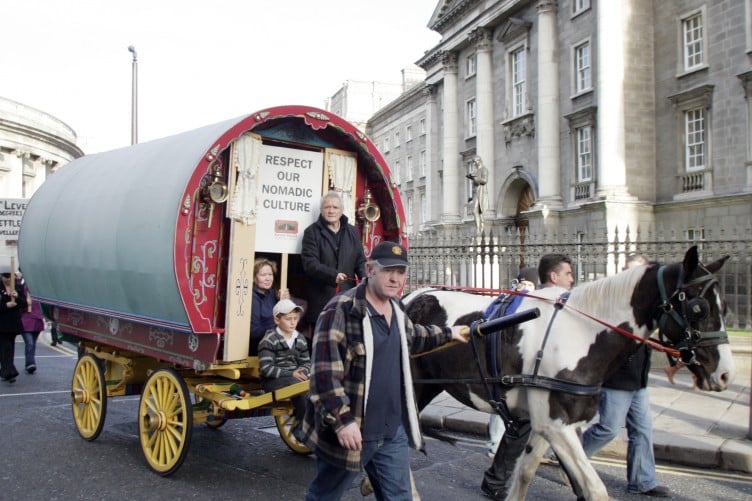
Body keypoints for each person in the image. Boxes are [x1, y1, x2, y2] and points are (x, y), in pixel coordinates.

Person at [299, 241, 469, 500]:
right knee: (325, 495)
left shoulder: (396, 308)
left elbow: (414, 336)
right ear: (370, 269)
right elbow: (324, 375)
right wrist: (343, 421)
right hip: (353, 429)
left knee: (399, 497)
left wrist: (450, 333)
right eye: (388, 270)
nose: (395, 278)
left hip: (391, 429)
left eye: (401, 272)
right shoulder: (341, 310)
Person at [481, 254, 573, 500]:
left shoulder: (555, 302)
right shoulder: (537, 303)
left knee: (523, 428)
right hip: (532, 378)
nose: (572, 279)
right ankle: (582, 487)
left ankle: (495, 481)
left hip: (540, 379)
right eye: (568, 274)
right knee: (552, 430)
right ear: (554, 277)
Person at [579, 254, 671, 498]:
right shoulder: (612, 300)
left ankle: (643, 481)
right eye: (632, 272)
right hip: (617, 377)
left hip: (639, 379)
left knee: (642, 430)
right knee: (608, 429)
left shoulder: (647, 303)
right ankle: (572, 459)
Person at [486, 266, 538, 458]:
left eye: (528, 285)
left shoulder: (512, 297)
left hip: (507, 357)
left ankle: (498, 444)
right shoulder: (518, 299)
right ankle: (496, 445)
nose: (525, 288)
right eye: (524, 284)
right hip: (508, 358)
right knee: (503, 403)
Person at [301, 191, 366, 332]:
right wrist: (332, 275)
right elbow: (310, 264)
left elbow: (360, 260)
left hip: (347, 299)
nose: (331, 211)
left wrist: (367, 280)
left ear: (342, 210)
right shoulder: (311, 232)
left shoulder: (352, 231)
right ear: (321, 210)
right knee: (321, 347)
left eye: (335, 207)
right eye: (327, 207)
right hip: (321, 301)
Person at [258, 298, 311, 421]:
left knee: (313, 384)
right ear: (277, 319)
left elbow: (306, 361)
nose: (293, 323)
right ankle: (302, 425)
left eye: (295, 319)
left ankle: (315, 419)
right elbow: (266, 369)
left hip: (295, 377)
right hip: (273, 381)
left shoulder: (300, 338)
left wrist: (302, 371)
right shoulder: (269, 340)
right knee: (299, 386)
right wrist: (292, 373)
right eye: (288, 319)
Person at [250, 257, 290, 355]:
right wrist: (278, 323)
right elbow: (254, 332)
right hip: (260, 344)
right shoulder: (252, 297)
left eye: (270, 274)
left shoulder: (272, 293)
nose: (268, 278)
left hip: (275, 339)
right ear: (254, 277)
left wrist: (286, 302)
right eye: (263, 275)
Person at [0, 265, 27, 383]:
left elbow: (24, 303)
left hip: (13, 323)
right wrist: (6, 305)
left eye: (9, 276)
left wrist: (17, 297)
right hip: (1, 322)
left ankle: (6, 370)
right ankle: (9, 371)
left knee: (10, 347)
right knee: (6, 347)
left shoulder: (17, 286)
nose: (7, 279)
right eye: (5, 276)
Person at [17, 270, 45, 374]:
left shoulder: (38, 290)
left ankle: (30, 362)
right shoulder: (21, 288)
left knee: (33, 344)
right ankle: (30, 363)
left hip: (37, 320)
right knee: (29, 343)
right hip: (26, 319)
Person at [466, 155, 489, 236]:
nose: (474, 164)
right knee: (475, 211)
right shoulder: (476, 171)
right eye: (474, 162)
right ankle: (478, 229)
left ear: (479, 161)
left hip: (481, 192)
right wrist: (471, 176)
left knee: (480, 211)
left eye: (475, 162)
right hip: (475, 193)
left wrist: (475, 178)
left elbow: (485, 181)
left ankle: (482, 229)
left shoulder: (484, 170)